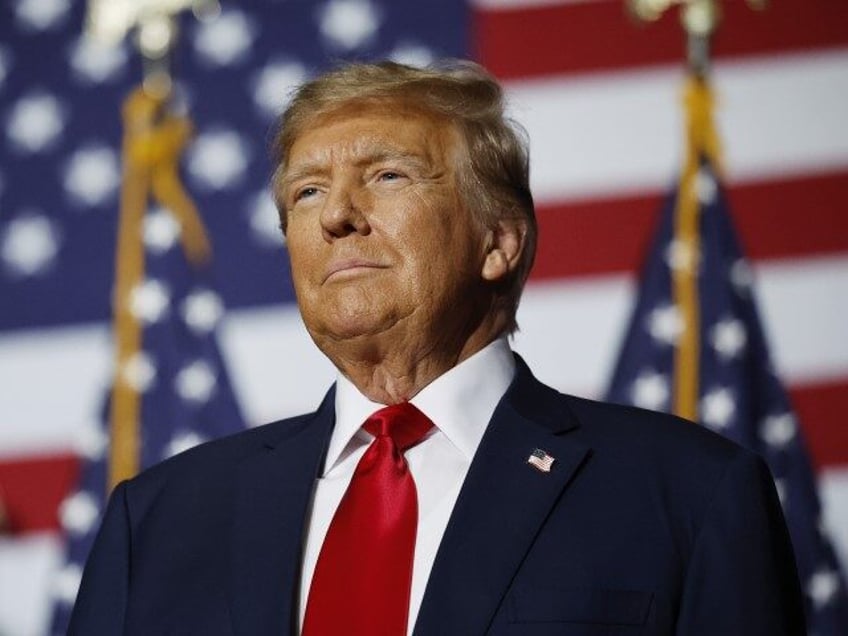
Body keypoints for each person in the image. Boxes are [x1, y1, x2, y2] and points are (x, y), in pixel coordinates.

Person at [69, 60, 805, 635]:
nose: (338, 218)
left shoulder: (688, 493)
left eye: (387, 175)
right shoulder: (160, 520)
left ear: (498, 241)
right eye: (307, 193)